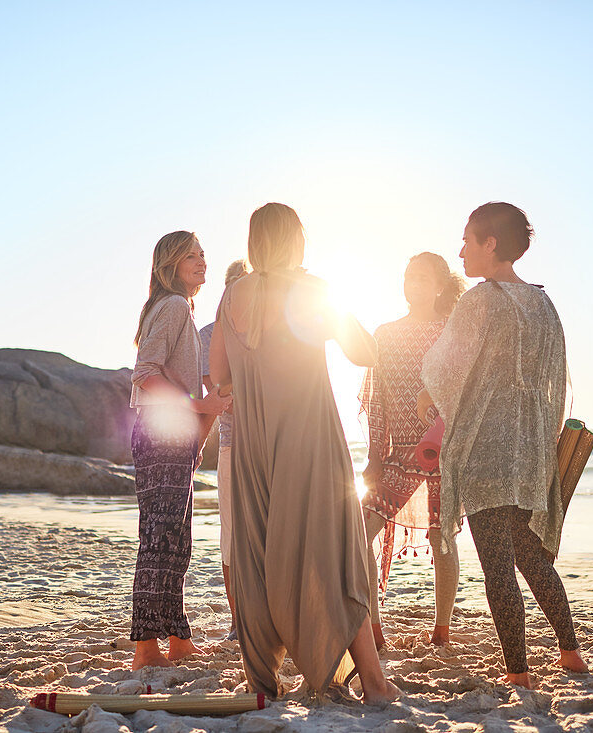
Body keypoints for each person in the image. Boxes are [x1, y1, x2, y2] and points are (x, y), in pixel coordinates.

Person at [209, 202, 400, 704]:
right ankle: (376, 684)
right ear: (294, 239)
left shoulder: (232, 296)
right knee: (337, 553)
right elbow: (366, 352)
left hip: (254, 443)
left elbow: (220, 375)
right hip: (311, 440)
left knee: (258, 557)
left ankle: (263, 684)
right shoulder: (312, 289)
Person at [418, 202, 588, 689]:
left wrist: (428, 395)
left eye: (468, 241)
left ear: (491, 243)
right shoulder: (543, 304)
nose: (462, 252)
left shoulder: (480, 300)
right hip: (532, 453)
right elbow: (556, 382)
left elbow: (445, 367)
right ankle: (570, 651)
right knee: (531, 555)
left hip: (485, 454)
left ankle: (519, 671)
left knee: (497, 566)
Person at [129, 231, 232, 671]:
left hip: (173, 437)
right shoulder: (171, 307)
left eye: (203, 254)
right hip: (160, 433)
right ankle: (146, 650)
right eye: (191, 255)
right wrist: (197, 406)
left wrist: (197, 433)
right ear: (169, 264)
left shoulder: (180, 310)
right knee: (161, 540)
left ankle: (178, 639)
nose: (202, 261)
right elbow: (145, 373)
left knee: (175, 541)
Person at [359, 252, 465, 650]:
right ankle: (374, 626)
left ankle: (442, 627)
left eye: (422, 278)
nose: (413, 284)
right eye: (408, 277)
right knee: (358, 532)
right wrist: (373, 455)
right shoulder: (384, 334)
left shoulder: (453, 331)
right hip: (397, 455)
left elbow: (464, 391)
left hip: (444, 451)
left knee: (443, 539)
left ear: (440, 285)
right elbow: (377, 401)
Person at [197, 259, 249, 640]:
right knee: (231, 537)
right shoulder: (209, 335)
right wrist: (199, 442)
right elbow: (214, 396)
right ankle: (237, 620)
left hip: (276, 445)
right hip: (233, 446)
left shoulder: (272, 330)